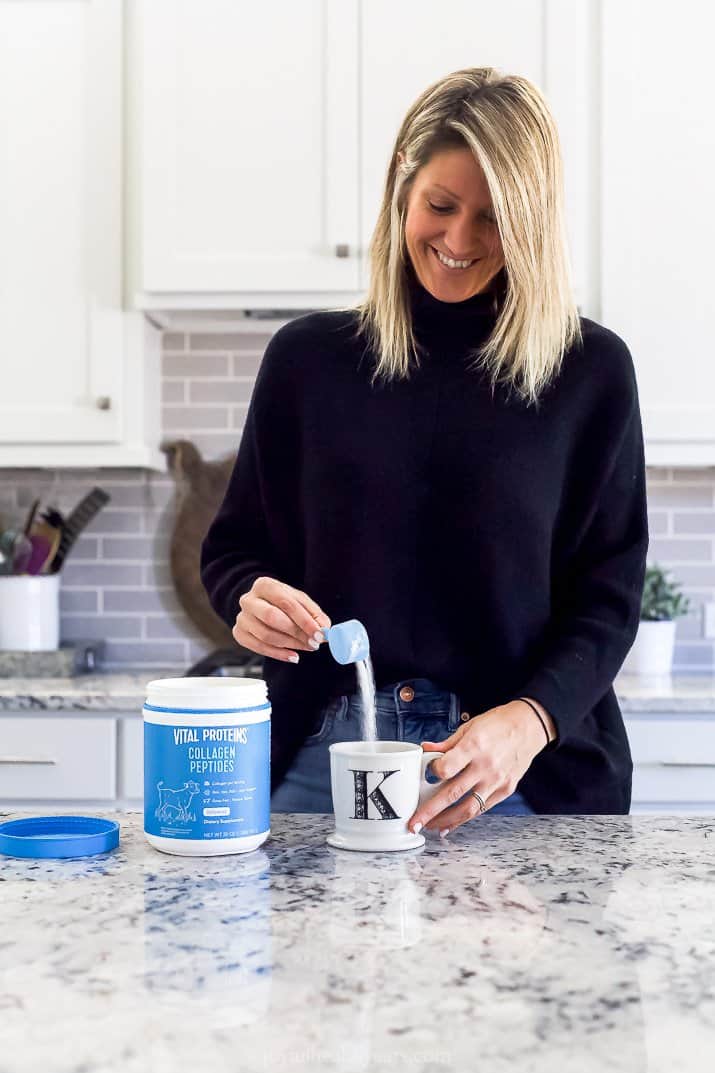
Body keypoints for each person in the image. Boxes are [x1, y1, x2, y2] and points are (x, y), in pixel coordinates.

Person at [200, 67, 649, 833]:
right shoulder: (307, 362)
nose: (458, 240)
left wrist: (530, 721)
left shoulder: (588, 373)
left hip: (518, 771)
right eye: (440, 206)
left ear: (532, 225)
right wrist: (249, 600)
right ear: (401, 191)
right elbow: (235, 550)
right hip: (322, 757)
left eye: (494, 219)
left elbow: (606, 598)